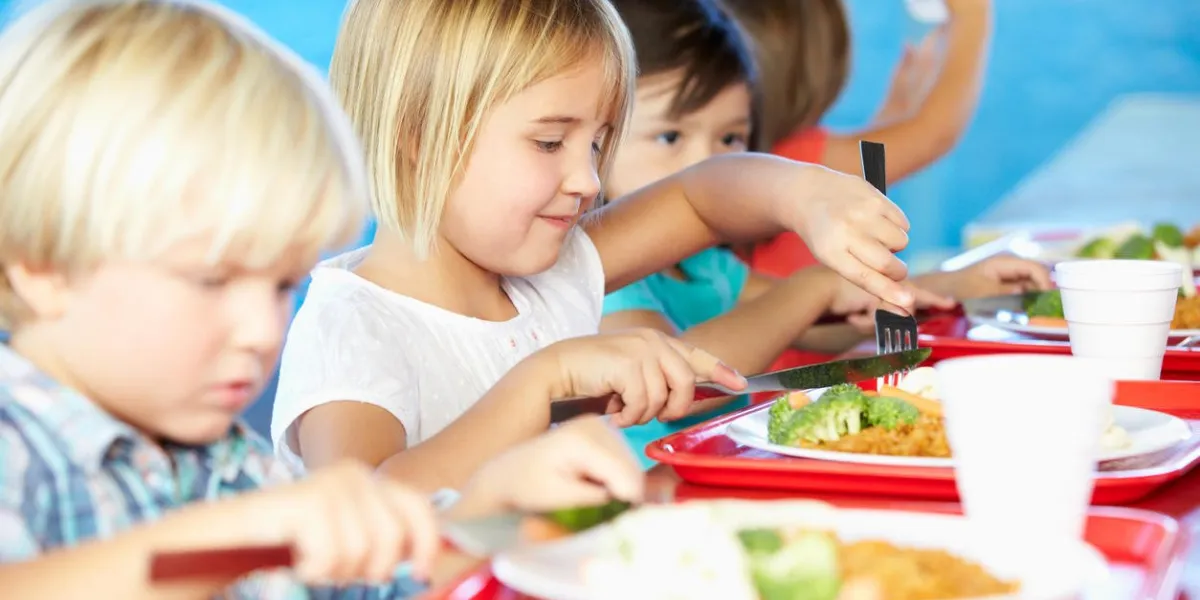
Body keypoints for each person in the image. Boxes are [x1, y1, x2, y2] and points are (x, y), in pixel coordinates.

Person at [0, 2, 653, 597]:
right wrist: (226, 541)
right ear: (43, 266)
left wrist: (488, 514)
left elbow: (374, 587)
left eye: (283, 285)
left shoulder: (228, 461)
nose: (263, 331)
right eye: (211, 280)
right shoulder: (18, 451)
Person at [273, 0, 917, 492]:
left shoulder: (551, 270)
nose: (586, 181)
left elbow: (700, 196)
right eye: (550, 143)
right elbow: (364, 514)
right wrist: (543, 381)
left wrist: (806, 197)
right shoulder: (353, 329)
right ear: (419, 134)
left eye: (598, 143)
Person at [598, 0, 963, 466]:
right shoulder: (602, 279)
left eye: (730, 139)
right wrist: (812, 289)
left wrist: (893, 299)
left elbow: (811, 328)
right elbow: (690, 385)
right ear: (597, 137)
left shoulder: (701, 263)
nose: (707, 164)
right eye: (671, 137)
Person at [723, 0, 994, 278]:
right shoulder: (792, 161)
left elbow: (863, 168)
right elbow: (935, 134)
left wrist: (895, 112)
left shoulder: (743, 161)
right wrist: (972, 16)